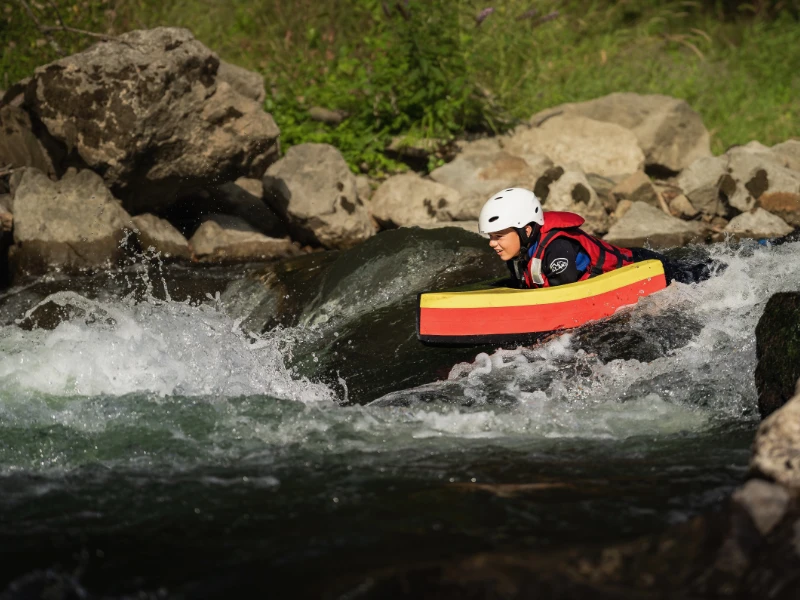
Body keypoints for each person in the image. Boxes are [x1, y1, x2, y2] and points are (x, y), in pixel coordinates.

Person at [478, 187, 716, 288]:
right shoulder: (518, 252)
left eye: (498, 236)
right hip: (634, 261)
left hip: (645, 266)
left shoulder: (556, 249)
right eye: (491, 236)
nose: (492, 243)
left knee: (706, 277)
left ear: (526, 230)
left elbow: (564, 298)